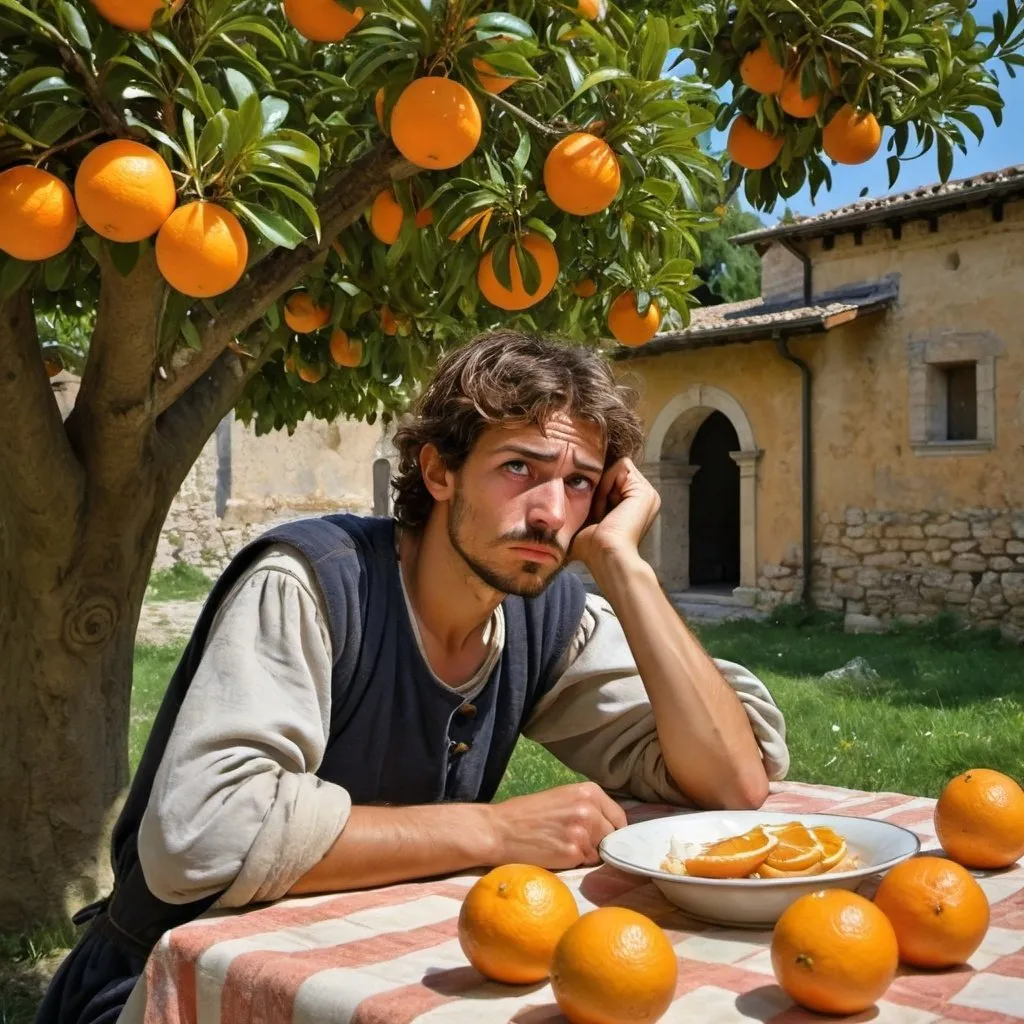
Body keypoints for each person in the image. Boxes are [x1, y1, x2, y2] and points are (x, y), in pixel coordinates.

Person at [36, 330, 788, 1024]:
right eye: (519, 467)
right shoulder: (314, 585)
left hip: (356, 980)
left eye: (581, 483)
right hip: (169, 989)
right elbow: (199, 839)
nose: (551, 513)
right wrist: (493, 831)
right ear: (439, 471)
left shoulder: (543, 619)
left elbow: (733, 780)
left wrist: (625, 570)